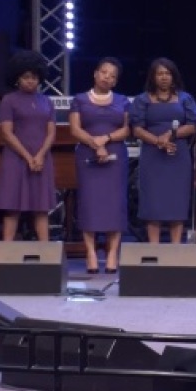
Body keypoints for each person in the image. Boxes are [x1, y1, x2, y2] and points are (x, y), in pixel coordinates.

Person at [69, 57, 131, 274]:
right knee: (89, 204)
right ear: (95, 73)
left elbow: (126, 130)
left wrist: (105, 139)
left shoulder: (123, 101)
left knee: (115, 205)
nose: (107, 77)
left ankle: (112, 253)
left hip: (115, 155)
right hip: (87, 155)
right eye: (104, 72)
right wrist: (95, 144)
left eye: (112, 76)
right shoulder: (79, 100)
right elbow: (75, 129)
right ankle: (91, 253)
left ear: (115, 81)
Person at [130, 57, 196, 243]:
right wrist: (157, 141)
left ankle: (175, 250)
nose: (164, 77)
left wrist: (170, 134)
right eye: (159, 73)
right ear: (153, 77)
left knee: (176, 203)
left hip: (178, 156)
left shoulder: (185, 98)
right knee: (153, 204)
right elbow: (137, 128)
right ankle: (154, 249)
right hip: (152, 157)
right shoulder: (142, 100)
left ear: (173, 76)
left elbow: (194, 125)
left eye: (167, 73)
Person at [0, 50, 56, 242]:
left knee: (41, 208)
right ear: (17, 78)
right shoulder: (8, 100)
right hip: (15, 159)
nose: (30, 81)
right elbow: (6, 133)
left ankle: (47, 256)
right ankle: (6, 255)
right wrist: (29, 157)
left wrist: (39, 156)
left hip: (42, 159)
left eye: (34, 77)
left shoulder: (46, 101)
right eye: (26, 77)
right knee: (13, 207)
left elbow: (51, 132)